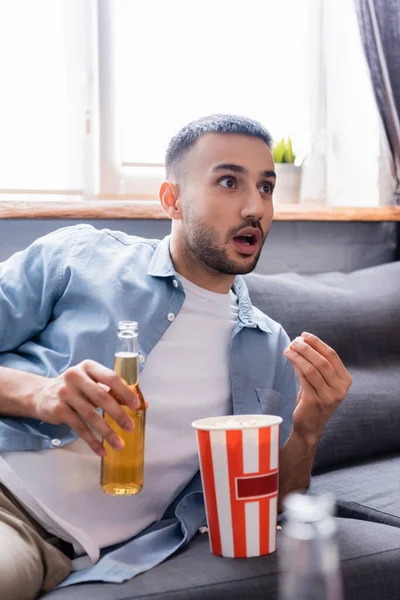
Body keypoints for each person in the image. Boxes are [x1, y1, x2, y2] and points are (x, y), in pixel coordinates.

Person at [0, 114, 352, 599]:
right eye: (229, 182)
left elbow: (270, 506)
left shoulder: (271, 348)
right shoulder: (79, 257)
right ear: (172, 200)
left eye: (267, 187)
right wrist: (40, 393)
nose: (256, 207)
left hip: (43, 543)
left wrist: (310, 428)